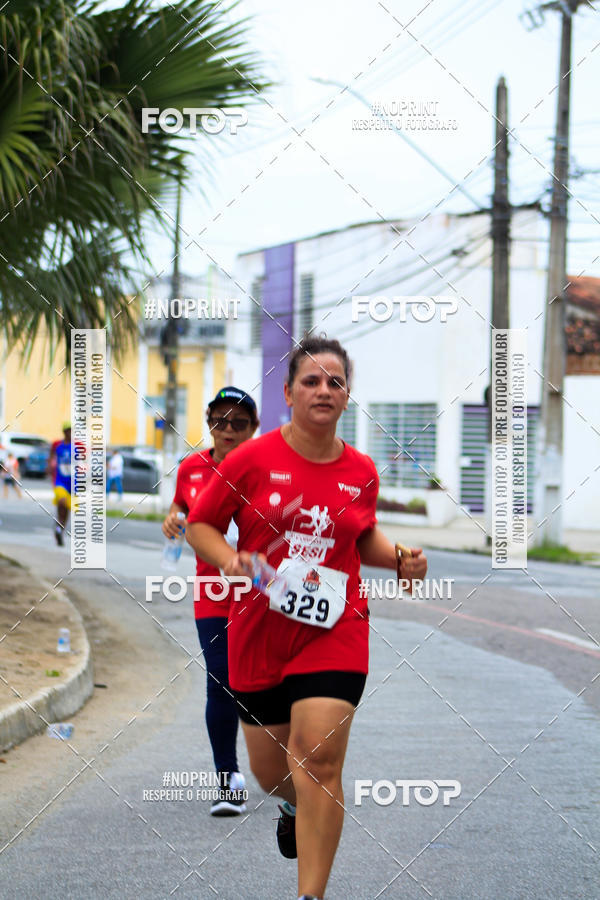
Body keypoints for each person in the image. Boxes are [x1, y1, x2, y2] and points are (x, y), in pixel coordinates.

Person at [187, 336, 428, 900]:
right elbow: (201, 526)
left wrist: (398, 558)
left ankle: (310, 896)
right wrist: (232, 560)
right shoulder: (251, 459)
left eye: (335, 382)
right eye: (312, 381)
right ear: (290, 394)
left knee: (318, 756)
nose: (324, 390)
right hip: (259, 632)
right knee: (274, 772)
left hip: (334, 628)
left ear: (347, 397)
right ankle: (292, 805)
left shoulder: (361, 471)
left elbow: (361, 535)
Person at [162, 386, 259, 815]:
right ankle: (228, 782)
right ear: (209, 424)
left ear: (253, 428)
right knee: (220, 681)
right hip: (213, 592)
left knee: (263, 687)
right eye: (221, 421)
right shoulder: (192, 468)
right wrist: (172, 520)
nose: (229, 430)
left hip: (264, 596)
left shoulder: (268, 469)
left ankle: (287, 776)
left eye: (239, 423)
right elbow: (180, 509)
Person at [49, 423, 72, 546]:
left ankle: (59, 530)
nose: (70, 433)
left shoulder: (77, 447)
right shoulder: (57, 445)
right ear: (64, 432)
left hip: (73, 484)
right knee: (61, 506)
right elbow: (51, 458)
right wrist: (50, 469)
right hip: (60, 482)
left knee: (66, 511)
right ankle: (58, 528)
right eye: (68, 431)